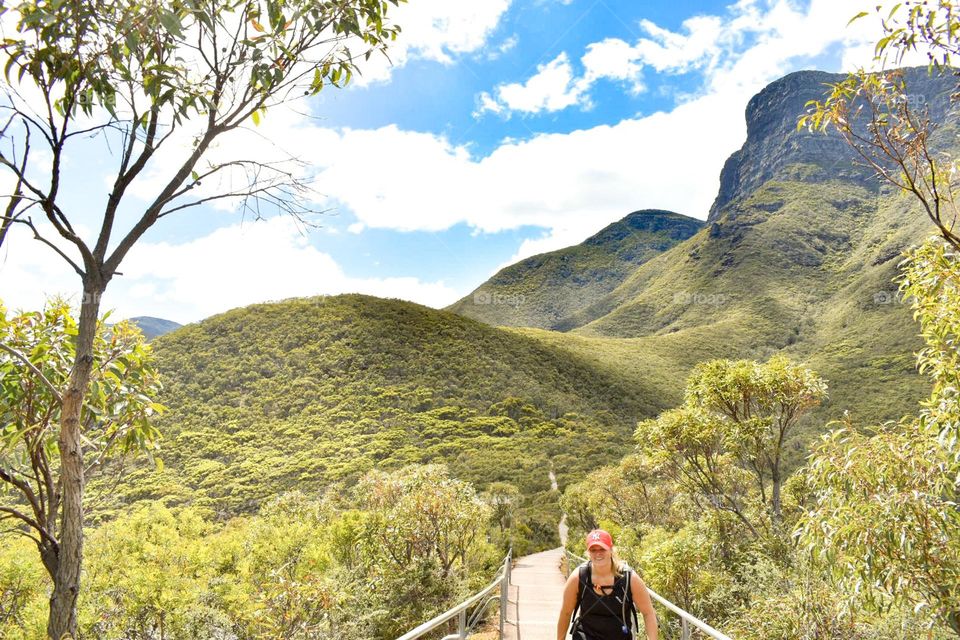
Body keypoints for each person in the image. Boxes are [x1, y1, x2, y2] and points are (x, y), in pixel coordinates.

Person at [556, 529, 658, 640]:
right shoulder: (579, 577)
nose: (598, 553)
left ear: (611, 550)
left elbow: (648, 613)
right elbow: (566, 613)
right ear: (588, 552)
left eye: (602, 549)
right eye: (593, 550)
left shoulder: (629, 578)